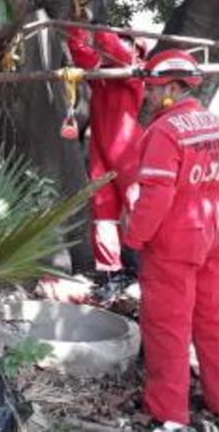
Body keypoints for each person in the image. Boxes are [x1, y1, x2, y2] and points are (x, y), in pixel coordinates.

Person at [122, 49, 219, 428]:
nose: (149, 96)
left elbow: (157, 196)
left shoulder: (164, 131)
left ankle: (168, 411)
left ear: (175, 87)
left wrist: (134, 236)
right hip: (215, 231)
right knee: (216, 319)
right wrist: (214, 214)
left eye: (155, 89)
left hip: (174, 239)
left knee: (167, 326)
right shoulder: (217, 124)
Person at [67, 27, 146, 278]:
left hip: (127, 148)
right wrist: (77, 25)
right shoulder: (102, 74)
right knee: (103, 209)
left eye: (128, 43)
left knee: (136, 205)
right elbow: (81, 54)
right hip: (101, 147)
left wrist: (99, 27)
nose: (123, 46)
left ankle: (148, 265)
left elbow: (113, 49)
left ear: (137, 52)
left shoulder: (134, 72)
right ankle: (110, 270)